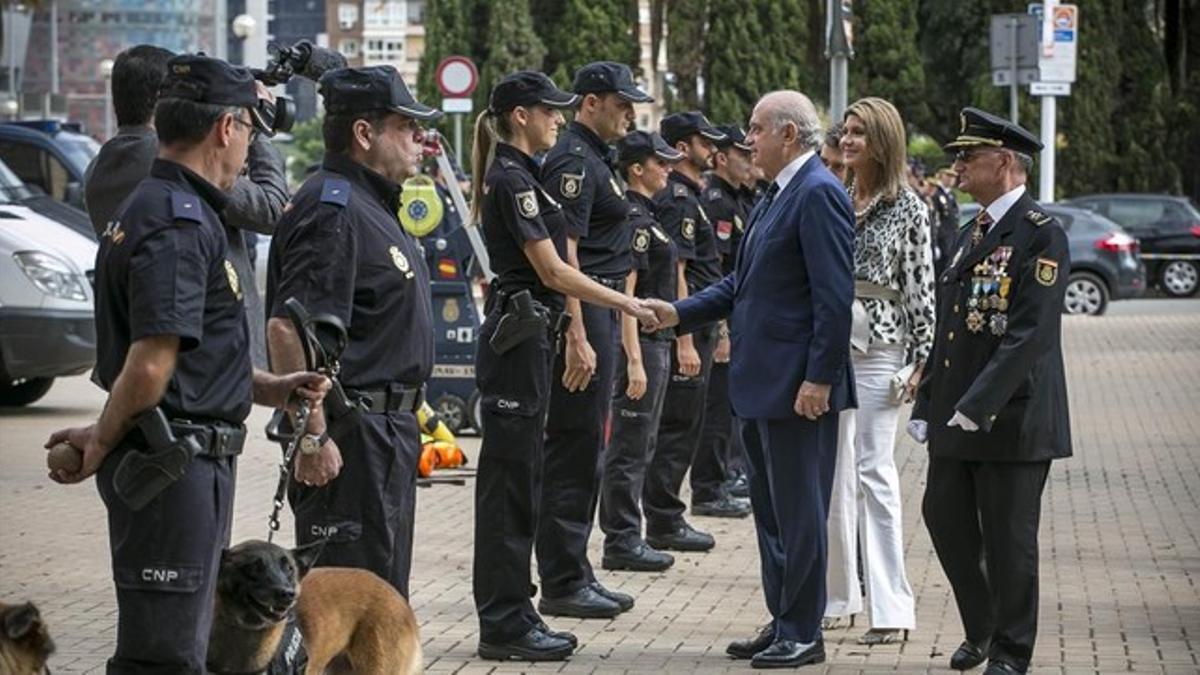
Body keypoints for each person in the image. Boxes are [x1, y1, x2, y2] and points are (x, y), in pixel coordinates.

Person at [45, 55, 328, 673]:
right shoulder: (177, 222)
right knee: (164, 656)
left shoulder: (178, 208)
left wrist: (272, 386)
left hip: (192, 465)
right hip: (173, 468)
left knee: (179, 645)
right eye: (251, 131)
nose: (249, 143)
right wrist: (100, 440)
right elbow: (148, 366)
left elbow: (191, 356)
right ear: (225, 129)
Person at [646, 90, 855, 668]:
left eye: (756, 129)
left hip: (798, 391)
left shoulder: (817, 194)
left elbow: (835, 301)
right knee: (772, 513)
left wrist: (820, 378)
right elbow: (741, 285)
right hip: (765, 384)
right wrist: (677, 312)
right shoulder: (775, 195)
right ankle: (784, 618)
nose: (747, 139)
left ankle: (805, 632)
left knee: (801, 513)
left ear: (789, 134)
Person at [468, 71, 657, 661]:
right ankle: (504, 620)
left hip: (531, 335)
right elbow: (552, 270)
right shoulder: (512, 178)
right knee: (509, 485)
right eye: (549, 110)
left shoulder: (524, 174)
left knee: (524, 477)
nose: (558, 117)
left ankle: (516, 611)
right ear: (520, 115)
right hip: (519, 334)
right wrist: (622, 301)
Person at [265, 65, 441, 599]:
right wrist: (313, 435)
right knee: (348, 611)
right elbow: (287, 328)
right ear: (364, 134)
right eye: (406, 126)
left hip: (384, 434)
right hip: (351, 436)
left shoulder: (369, 203)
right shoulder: (332, 208)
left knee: (380, 603)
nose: (421, 139)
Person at [910, 107, 1071, 675]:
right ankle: (980, 625)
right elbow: (949, 328)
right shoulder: (966, 232)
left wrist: (979, 405)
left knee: (1009, 543)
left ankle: (1010, 651)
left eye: (967, 157)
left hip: (1012, 418)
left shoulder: (1041, 234)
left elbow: (1029, 335)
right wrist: (930, 401)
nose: (956, 167)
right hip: (958, 414)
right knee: (943, 518)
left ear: (1003, 162)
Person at [84, 44, 290, 370]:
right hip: (199, 359)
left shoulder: (99, 164)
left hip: (132, 349)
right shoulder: (181, 162)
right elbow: (272, 210)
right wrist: (257, 126)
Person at [536, 61, 653, 619]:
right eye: (621, 102)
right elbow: (565, 255)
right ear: (590, 102)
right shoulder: (573, 162)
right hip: (585, 312)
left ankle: (575, 570)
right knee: (575, 448)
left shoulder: (597, 157)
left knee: (590, 449)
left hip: (602, 307)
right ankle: (561, 580)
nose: (630, 111)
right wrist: (576, 332)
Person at [823, 97, 934, 644]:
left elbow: (922, 288)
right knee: (834, 474)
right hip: (830, 345)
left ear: (882, 141)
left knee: (875, 474)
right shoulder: (836, 196)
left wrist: (921, 359)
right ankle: (839, 596)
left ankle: (891, 608)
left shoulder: (908, 207)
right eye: (845, 131)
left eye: (859, 133)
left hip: (883, 347)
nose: (847, 141)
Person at [644, 111, 741, 553]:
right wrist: (685, 335)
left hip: (695, 323)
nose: (713, 150)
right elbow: (678, 272)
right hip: (688, 327)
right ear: (684, 147)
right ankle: (663, 519)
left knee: (686, 424)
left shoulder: (690, 195)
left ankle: (666, 516)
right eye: (706, 142)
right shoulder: (680, 199)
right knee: (678, 426)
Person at [598, 130, 683, 573]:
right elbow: (626, 296)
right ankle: (621, 539)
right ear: (636, 168)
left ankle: (631, 533)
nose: (668, 169)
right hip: (642, 346)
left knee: (644, 442)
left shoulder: (650, 216)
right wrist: (633, 360)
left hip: (657, 344)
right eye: (660, 162)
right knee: (629, 447)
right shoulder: (632, 219)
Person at [695, 124, 755, 505]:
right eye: (742, 155)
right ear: (720, 158)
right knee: (717, 407)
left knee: (731, 405)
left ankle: (729, 472)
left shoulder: (738, 199)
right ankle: (709, 486)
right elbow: (714, 269)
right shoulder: (717, 201)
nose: (749, 162)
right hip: (722, 318)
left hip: (738, 317)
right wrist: (721, 330)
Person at [930, 168, 961, 274]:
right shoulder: (936, 194)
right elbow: (935, 218)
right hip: (941, 238)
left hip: (952, 237)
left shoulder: (951, 195)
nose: (951, 179)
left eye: (953, 177)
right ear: (941, 175)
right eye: (948, 176)